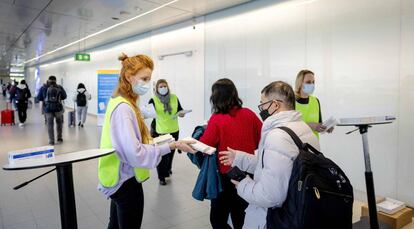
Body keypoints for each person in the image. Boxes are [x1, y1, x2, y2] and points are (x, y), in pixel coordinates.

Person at [98, 53, 196, 229]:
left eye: (148, 79)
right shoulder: (124, 109)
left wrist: (165, 144)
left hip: (119, 179)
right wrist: (170, 145)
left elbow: (132, 143)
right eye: (143, 78)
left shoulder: (122, 102)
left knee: (114, 225)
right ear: (128, 77)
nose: (146, 83)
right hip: (125, 181)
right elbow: (135, 152)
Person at [219, 81, 320, 229]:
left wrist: (243, 185)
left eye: (262, 104)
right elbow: (278, 167)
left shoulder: (277, 136)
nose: (261, 109)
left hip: (274, 219)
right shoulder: (303, 128)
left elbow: (270, 196)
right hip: (300, 209)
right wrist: (240, 158)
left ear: (275, 105)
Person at [199, 78, 262, 229]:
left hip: (226, 175)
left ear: (215, 97)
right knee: (241, 214)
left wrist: (203, 131)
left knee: (218, 217)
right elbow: (261, 138)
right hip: (248, 172)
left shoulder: (216, 119)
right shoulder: (249, 114)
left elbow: (205, 146)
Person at [148, 79, 186, 185]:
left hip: (174, 129)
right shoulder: (153, 100)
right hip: (160, 131)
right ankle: (162, 177)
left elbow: (180, 109)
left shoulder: (174, 97)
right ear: (157, 89)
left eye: (165, 86)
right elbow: (149, 113)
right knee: (162, 154)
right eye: (161, 87)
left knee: (171, 152)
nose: (163, 88)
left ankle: (168, 168)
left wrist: (182, 113)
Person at [294, 69, 333, 138]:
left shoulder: (315, 101)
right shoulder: (291, 101)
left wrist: (325, 127)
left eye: (313, 82)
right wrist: (309, 126)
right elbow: (287, 127)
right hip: (297, 145)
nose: (312, 85)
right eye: (308, 82)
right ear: (300, 83)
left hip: (314, 145)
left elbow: (319, 123)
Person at [37, 76, 67, 145]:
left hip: (48, 109)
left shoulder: (44, 87)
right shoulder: (59, 87)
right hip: (58, 109)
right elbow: (64, 96)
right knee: (59, 123)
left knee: (50, 125)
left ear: (48, 80)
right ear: (56, 80)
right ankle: (59, 138)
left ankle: (51, 141)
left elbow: (39, 98)